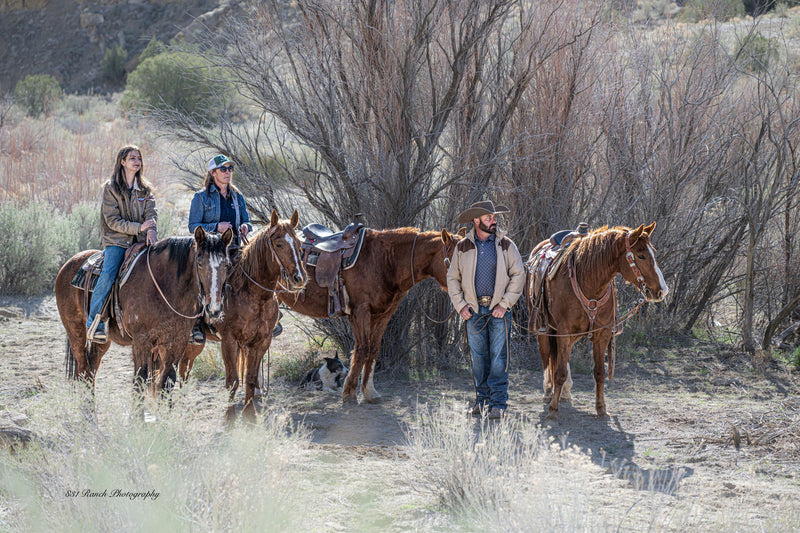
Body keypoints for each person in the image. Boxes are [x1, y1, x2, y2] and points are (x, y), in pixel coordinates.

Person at [446, 200, 525, 419]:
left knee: (499, 359)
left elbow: (519, 275)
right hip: (472, 311)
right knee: (479, 359)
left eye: (493, 218)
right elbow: (452, 278)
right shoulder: (463, 247)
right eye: (489, 218)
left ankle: (498, 404)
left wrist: (504, 304)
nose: (493, 221)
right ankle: (482, 402)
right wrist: (461, 306)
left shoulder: (506, 245)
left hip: (499, 310)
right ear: (476, 220)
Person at [188, 154, 269, 344]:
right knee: (204, 281)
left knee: (260, 273)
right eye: (223, 169)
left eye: (230, 169)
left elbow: (247, 220)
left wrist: (245, 228)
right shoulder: (201, 197)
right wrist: (216, 227)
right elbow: (193, 226)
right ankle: (197, 323)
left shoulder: (237, 196)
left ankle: (267, 317)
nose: (227, 173)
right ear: (212, 173)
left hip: (234, 248)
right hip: (210, 251)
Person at [87, 145, 158, 343]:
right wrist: (140, 227)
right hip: (117, 242)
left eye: (139, 158)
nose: (137, 161)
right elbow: (112, 221)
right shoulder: (111, 188)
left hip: (142, 241)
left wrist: (151, 229)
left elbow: (151, 213)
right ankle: (95, 322)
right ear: (123, 162)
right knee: (109, 273)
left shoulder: (145, 189)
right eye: (132, 158)